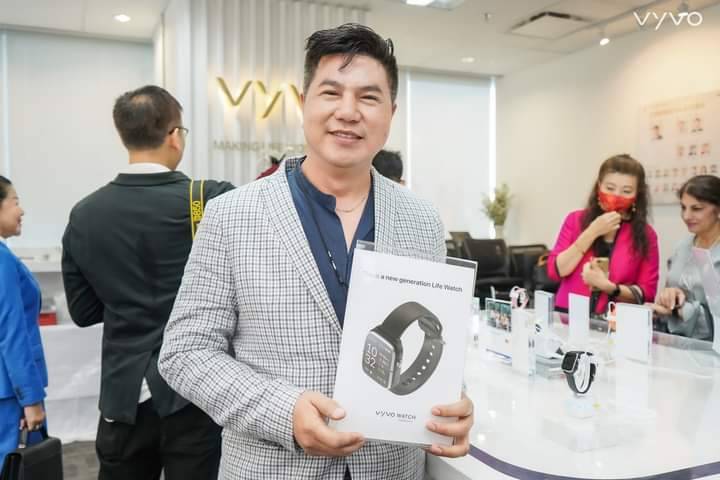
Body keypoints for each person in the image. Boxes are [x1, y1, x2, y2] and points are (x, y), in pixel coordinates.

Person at [158, 23, 473, 480]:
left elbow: (436, 336)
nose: (348, 112)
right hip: (272, 467)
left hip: (391, 468)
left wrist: (450, 402)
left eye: (368, 97)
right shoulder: (230, 215)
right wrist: (282, 410)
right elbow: (185, 352)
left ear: (390, 113)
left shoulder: (422, 219)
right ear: (304, 102)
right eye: (331, 93)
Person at [61, 86, 234, 480]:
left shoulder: (84, 214)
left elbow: (83, 312)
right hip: (196, 392)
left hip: (123, 397)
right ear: (174, 135)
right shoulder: (209, 199)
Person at [547, 154, 659, 316]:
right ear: (599, 186)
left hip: (616, 321)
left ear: (637, 194)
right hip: (568, 315)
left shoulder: (646, 235)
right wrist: (592, 232)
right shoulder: (575, 220)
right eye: (610, 188)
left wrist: (609, 287)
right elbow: (555, 271)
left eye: (626, 191)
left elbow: (647, 293)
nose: (616, 196)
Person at [0, 176, 48, 466]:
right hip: (9, 394)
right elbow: (11, 331)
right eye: (15, 202)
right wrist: (30, 398)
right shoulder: (2, 260)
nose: (22, 210)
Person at [652, 176, 720, 340]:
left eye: (696, 208)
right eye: (683, 208)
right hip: (676, 344)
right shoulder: (682, 247)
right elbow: (669, 291)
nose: (686, 216)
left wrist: (683, 310)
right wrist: (668, 300)